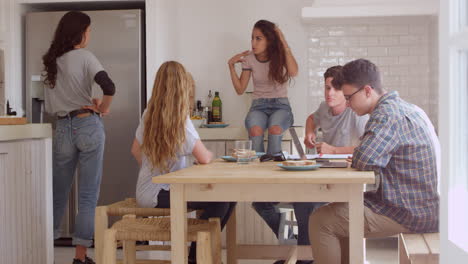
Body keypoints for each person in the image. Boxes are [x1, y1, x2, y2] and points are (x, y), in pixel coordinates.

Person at [308, 59, 440, 264]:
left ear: (368, 90)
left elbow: (364, 158)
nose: (348, 103)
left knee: (321, 221)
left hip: (411, 211)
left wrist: (360, 155)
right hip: (420, 204)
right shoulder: (402, 107)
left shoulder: (387, 114)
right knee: (338, 210)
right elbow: (366, 156)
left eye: (349, 97)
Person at [252, 66, 369, 264]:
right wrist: (309, 133)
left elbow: (366, 150)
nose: (330, 93)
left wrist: (333, 150)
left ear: (346, 91)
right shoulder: (324, 108)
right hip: (320, 175)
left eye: (335, 88)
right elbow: (310, 119)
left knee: (305, 202)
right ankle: (298, 246)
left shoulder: (356, 114)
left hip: (343, 181)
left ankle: (304, 258)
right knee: (261, 201)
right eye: (326, 88)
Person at [131, 61, 236, 264]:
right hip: (163, 194)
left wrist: (153, 173)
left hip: (145, 191)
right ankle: (196, 257)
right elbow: (204, 158)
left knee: (225, 197)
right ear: (183, 88)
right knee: (223, 197)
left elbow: (135, 151)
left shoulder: (148, 114)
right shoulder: (182, 121)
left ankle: (198, 254)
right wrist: (212, 154)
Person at [42, 11, 115, 264]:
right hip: (88, 126)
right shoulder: (85, 57)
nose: (90, 35)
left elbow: (54, 101)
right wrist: (103, 108)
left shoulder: (51, 61)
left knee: (57, 193)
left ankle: (45, 251)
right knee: (87, 195)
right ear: (81, 32)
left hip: (62, 128)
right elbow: (109, 86)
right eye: (89, 30)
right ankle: (80, 257)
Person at [228, 19, 298, 155]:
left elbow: (294, 72)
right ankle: (256, 171)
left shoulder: (282, 56)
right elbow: (240, 89)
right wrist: (231, 66)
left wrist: (282, 40)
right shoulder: (249, 59)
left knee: (275, 129)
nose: (253, 43)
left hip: (281, 105)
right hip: (258, 106)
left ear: (269, 41)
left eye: (258, 39)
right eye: (252, 38)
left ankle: (272, 168)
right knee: (255, 130)